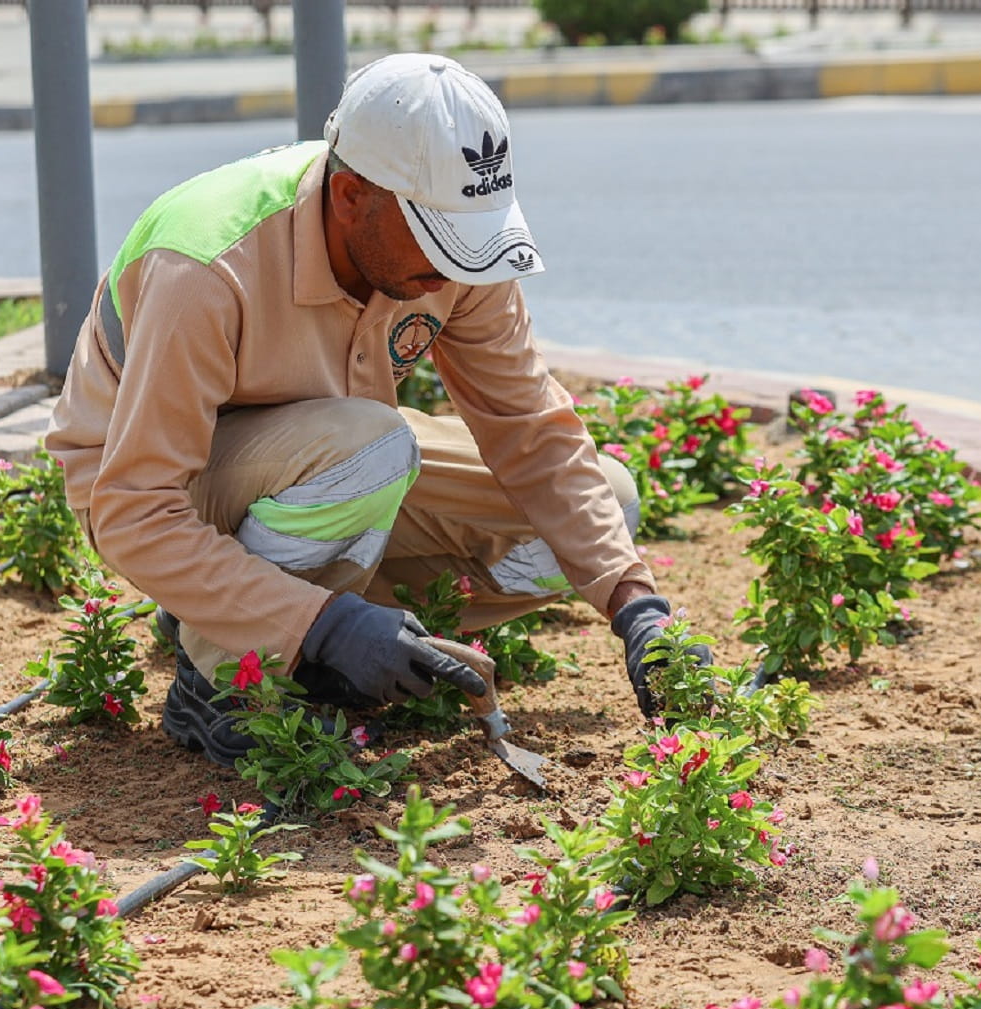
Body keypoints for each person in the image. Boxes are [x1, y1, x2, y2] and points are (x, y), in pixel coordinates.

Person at [46, 53, 705, 765]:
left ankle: (269, 611)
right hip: (156, 486)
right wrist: (326, 626)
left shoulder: (460, 255)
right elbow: (134, 509)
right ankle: (227, 675)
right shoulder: (206, 265)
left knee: (604, 509)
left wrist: (639, 611)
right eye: (438, 237)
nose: (456, 269)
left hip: (335, 466)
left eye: (471, 238)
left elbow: (531, 431)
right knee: (370, 448)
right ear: (350, 195)